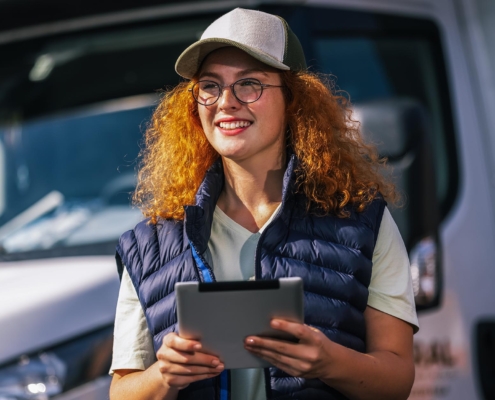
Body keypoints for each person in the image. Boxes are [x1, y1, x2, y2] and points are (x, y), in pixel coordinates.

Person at [109, 7, 419, 400]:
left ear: (295, 100)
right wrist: (164, 376)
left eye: (249, 84)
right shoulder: (149, 244)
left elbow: (396, 380)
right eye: (210, 86)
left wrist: (328, 362)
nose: (226, 103)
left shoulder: (363, 223)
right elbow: (122, 390)